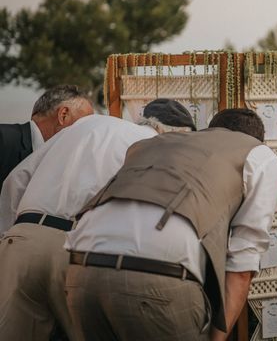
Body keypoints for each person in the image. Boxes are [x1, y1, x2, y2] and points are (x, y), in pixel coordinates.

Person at [65, 108, 277, 341]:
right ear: (258, 139)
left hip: (81, 266)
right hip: (156, 275)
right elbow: (243, 261)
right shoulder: (258, 153)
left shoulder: (157, 143)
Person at [0, 98, 195, 341]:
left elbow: (16, 179)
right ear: (173, 134)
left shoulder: (87, 124)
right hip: (75, 249)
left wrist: (12, 234)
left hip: (22, 240)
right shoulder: (150, 147)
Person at [0, 84, 93, 191]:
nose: (86, 132)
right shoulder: (3, 139)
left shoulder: (61, 164)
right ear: (63, 115)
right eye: (84, 123)